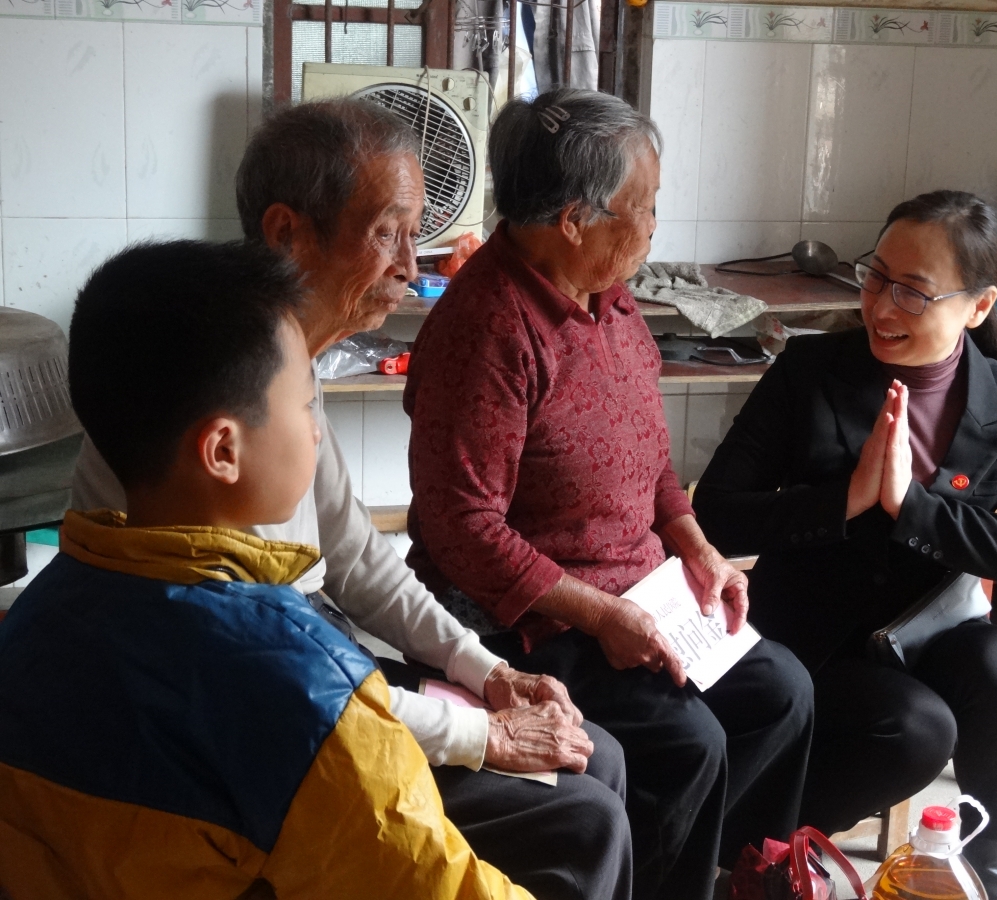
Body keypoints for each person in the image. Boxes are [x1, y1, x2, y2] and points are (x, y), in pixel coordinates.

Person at [69, 101, 631, 900]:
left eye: (415, 235)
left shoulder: (286, 362)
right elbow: (270, 684)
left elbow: (358, 558)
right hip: (260, 714)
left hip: (305, 665)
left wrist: (484, 669)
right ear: (286, 234)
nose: (410, 264)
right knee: (583, 816)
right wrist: (481, 732)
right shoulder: (203, 398)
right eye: (387, 232)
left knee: (597, 760)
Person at [0, 240, 534, 899]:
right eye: (305, 404)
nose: (316, 430)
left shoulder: (33, 619)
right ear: (223, 450)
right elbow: (439, 884)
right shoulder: (302, 681)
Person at [403, 87, 814, 900]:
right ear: (573, 220)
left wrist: (698, 550)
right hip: (530, 617)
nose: (655, 224)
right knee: (688, 745)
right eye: (645, 206)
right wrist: (599, 615)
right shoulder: (488, 328)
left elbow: (648, 458)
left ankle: (729, 874)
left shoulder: (610, 294)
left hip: (640, 592)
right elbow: (461, 528)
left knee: (783, 695)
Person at [693, 190, 997, 900]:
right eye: (876, 277)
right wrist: (847, 499)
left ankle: (992, 861)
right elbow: (715, 514)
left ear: (978, 307)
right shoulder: (810, 372)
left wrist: (913, 508)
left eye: (914, 292)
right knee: (916, 728)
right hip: (812, 637)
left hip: (927, 630)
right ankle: (753, 846)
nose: (882, 307)